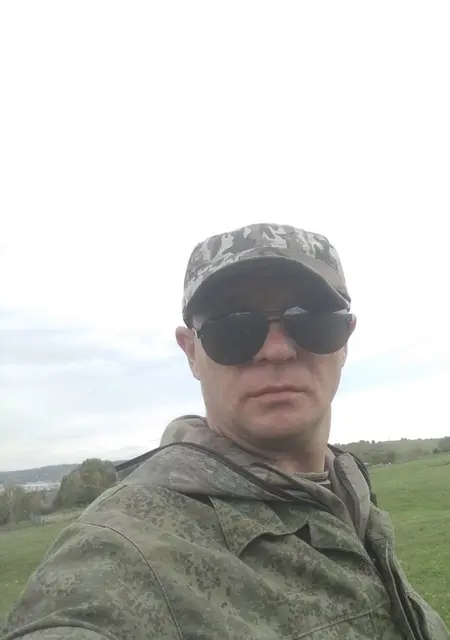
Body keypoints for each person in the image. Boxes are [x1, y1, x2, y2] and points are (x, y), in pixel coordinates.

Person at [1, 223, 448, 640]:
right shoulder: (126, 548)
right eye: (235, 326)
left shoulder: (349, 494)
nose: (276, 350)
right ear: (191, 352)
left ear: (345, 339)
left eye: (310, 317)